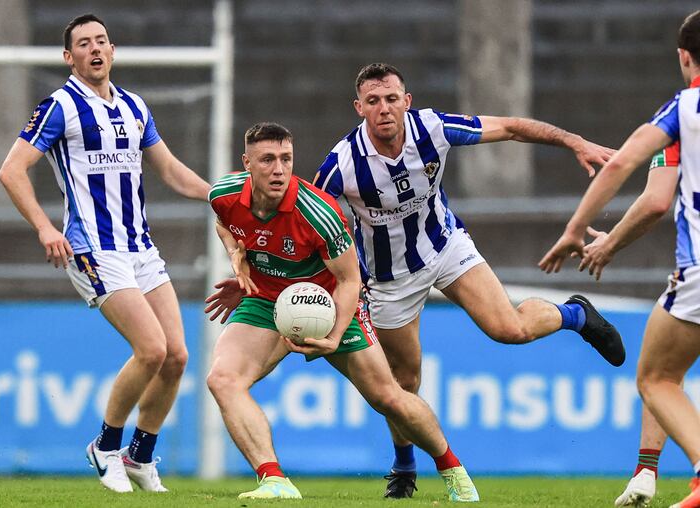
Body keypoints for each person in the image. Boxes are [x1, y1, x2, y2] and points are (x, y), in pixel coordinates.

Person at [308, 62, 626, 498]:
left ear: (407, 101)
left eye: (392, 98)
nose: (385, 109)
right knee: (404, 381)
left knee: (509, 329)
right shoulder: (340, 164)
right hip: (388, 278)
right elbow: (310, 222)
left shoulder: (433, 128)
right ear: (359, 107)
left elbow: (511, 128)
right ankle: (404, 467)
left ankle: (576, 315)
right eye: (374, 101)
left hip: (445, 248)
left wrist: (574, 141)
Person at [205, 122, 479, 501]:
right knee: (222, 379)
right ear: (246, 164)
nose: (279, 169)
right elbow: (225, 224)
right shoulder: (224, 193)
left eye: (286, 159)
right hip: (266, 299)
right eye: (267, 160)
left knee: (388, 396)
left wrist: (333, 336)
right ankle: (274, 480)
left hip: (330, 302)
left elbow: (351, 281)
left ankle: (452, 469)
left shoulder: (319, 211)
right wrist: (238, 256)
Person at [0, 14, 210, 493]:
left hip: (140, 246)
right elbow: (11, 170)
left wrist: (221, 195)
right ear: (68, 57)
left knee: (176, 355)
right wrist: (43, 227)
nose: (94, 49)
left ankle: (140, 456)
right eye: (83, 44)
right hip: (93, 248)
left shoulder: (134, 106)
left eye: (101, 41)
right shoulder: (59, 107)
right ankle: (105, 445)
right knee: (151, 349)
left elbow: (172, 172)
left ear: (112, 51)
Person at [540, 10, 700, 508]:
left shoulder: (682, 113)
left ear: (683, 57)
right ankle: (649, 473)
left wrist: (579, 232)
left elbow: (648, 191)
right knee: (665, 353)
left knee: (657, 377)